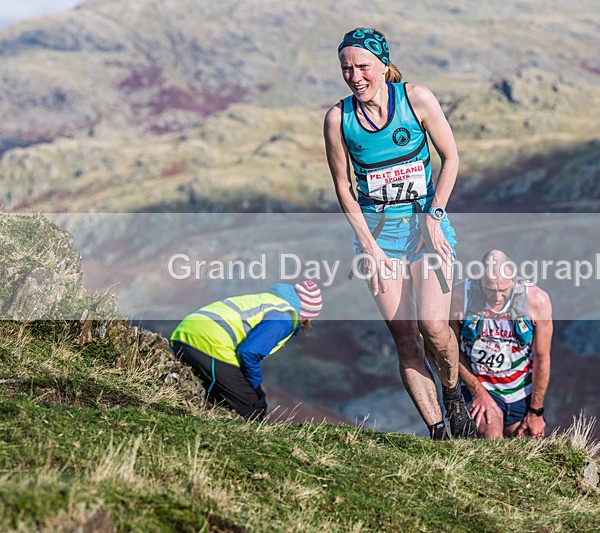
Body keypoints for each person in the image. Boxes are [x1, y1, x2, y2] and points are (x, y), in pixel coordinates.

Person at [323, 28, 475, 439]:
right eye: (346, 69)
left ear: (384, 65)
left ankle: (453, 394)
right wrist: (368, 248)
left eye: (363, 67)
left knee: (434, 327)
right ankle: (439, 433)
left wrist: (434, 214)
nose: (355, 77)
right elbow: (344, 188)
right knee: (405, 337)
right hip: (379, 239)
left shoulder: (416, 99)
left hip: (426, 229)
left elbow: (452, 157)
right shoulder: (339, 119)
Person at [170, 280, 323, 420]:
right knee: (252, 407)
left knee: (235, 395)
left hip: (184, 335)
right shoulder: (284, 318)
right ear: (307, 315)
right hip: (208, 344)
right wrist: (256, 384)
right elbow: (249, 352)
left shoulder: (269, 300)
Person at [450, 250, 553, 439]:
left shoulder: (536, 300)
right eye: (490, 289)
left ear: (514, 279)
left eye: (503, 290)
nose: (497, 297)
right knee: (492, 438)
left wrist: (536, 411)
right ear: (480, 278)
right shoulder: (459, 297)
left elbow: (542, 358)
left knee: (525, 454)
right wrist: (479, 392)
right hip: (479, 384)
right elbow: (449, 352)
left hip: (520, 389)